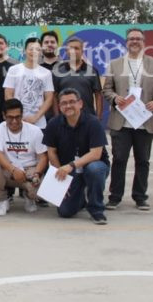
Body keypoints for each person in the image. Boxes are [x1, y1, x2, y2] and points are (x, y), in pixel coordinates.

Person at [102, 28, 153, 211]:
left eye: (138, 38)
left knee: (143, 161)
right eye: (131, 38)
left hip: (145, 122)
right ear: (126, 42)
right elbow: (107, 89)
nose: (134, 41)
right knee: (119, 160)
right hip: (121, 122)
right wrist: (115, 98)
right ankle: (115, 197)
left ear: (144, 42)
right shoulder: (115, 64)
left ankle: (140, 197)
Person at [43, 88, 110, 225]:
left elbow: (96, 154)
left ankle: (96, 210)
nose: (68, 106)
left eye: (72, 102)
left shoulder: (93, 122)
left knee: (95, 170)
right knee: (65, 211)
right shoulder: (53, 124)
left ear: (80, 103)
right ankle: (81, 199)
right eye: (64, 103)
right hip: (69, 171)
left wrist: (71, 165)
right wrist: (60, 172)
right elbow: (51, 152)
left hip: (92, 166)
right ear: (59, 106)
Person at [0, 98, 48, 215]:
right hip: (7, 170)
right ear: (4, 116)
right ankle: (2, 200)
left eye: (18, 117)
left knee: (40, 191)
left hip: (29, 170)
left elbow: (43, 157)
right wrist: (13, 170)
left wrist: (37, 174)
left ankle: (29, 198)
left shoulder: (35, 131)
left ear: (22, 115)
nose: (14, 121)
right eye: (10, 117)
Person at [3, 37, 54, 129]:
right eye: (31, 49)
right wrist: (19, 116)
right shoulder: (13, 70)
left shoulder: (46, 73)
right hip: (17, 122)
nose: (34, 52)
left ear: (41, 52)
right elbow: (8, 95)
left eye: (37, 49)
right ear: (25, 51)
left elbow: (49, 98)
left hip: (39, 124)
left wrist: (35, 118)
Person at [51, 37, 102, 117]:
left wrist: (98, 118)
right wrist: (57, 117)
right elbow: (54, 96)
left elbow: (98, 95)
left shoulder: (92, 71)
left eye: (76, 48)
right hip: (65, 119)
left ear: (82, 51)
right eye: (71, 48)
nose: (73, 51)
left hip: (88, 118)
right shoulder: (58, 72)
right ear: (67, 51)